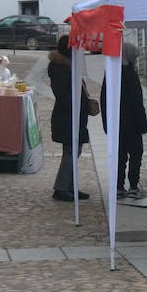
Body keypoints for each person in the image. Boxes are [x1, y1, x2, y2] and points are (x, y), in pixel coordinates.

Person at [102, 42, 147, 198]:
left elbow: (104, 100)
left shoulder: (110, 73)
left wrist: (106, 122)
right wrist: (143, 124)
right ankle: (133, 185)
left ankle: (119, 186)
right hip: (132, 124)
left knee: (119, 156)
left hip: (116, 122)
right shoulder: (130, 74)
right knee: (136, 154)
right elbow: (136, 102)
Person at [49, 36, 92, 203]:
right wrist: (75, 105)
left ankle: (69, 186)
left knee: (74, 151)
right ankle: (61, 188)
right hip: (68, 116)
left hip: (73, 115)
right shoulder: (60, 67)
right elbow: (62, 94)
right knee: (71, 152)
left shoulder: (68, 65)